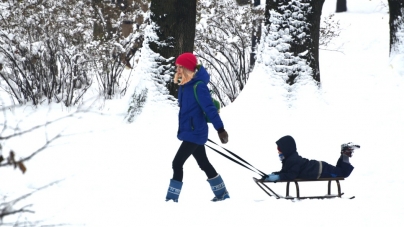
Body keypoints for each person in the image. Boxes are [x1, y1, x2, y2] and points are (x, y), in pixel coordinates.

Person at [165, 52, 230, 202]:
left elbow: (209, 109)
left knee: (177, 163)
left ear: (188, 68)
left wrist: (220, 129)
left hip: (196, 133)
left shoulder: (199, 86)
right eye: (177, 67)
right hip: (190, 131)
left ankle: (171, 199)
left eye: (181, 67)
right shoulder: (184, 86)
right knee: (203, 163)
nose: (178, 70)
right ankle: (222, 194)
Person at [265, 135, 360, 181]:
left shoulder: (292, 160)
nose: (278, 152)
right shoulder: (289, 159)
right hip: (319, 168)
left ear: (287, 149)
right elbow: (287, 172)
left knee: (343, 173)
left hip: (321, 170)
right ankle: (345, 151)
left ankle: (346, 152)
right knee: (340, 171)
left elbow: (291, 175)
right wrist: (274, 174)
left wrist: (276, 177)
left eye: (280, 150)